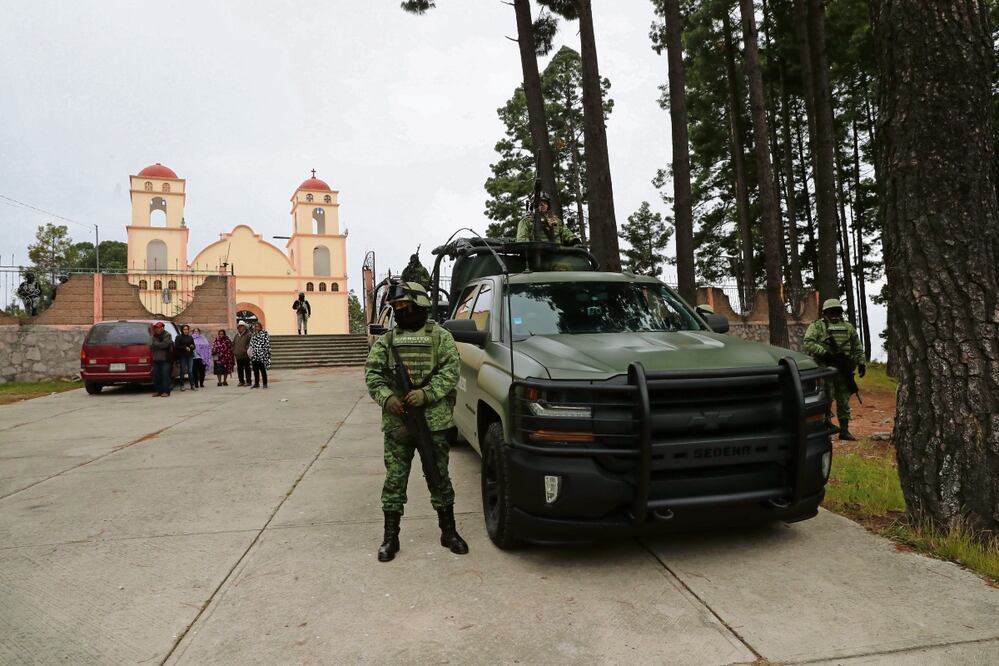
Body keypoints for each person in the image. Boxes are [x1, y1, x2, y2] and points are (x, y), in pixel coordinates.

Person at [365, 281, 467, 562]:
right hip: (399, 423)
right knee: (395, 480)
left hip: (433, 422)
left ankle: (449, 532)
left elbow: (451, 369)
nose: (399, 312)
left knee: (438, 476)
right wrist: (388, 398)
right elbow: (373, 374)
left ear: (419, 306)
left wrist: (428, 393)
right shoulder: (386, 341)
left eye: (403, 307)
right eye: (395, 308)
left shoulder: (440, 337)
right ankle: (390, 538)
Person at [804, 298, 866, 441]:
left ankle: (844, 430)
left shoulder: (848, 328)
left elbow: (857, 347)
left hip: (843, 371)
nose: (834, 314)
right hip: (825, 370)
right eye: (831, 312)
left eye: (837, 311)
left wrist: (861, 363)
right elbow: (808, 342)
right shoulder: (817, 326)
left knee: (843, 401)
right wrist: (824, 353)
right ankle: (825, 427)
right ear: (825, 312)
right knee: (826, 399)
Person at [150, 322, 174, 397]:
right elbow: (152, 345)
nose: (157, 329)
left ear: (162, 328)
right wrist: (158, 344)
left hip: (165, 359)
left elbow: (164, 345)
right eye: (156, 328)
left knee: (165, 376)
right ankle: (158, 391)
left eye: (159, 328)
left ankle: (166, 391)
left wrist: (156, 344)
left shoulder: (167, 335)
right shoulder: (154, 336)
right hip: (156, 359)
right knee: (156, 376)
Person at [174, 324, 198, 391]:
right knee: (183, 371)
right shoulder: (178, 337)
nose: (186, 331)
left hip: (190, 356)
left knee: (190, 371)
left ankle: (192, 385)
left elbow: (194, 346)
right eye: (184, 329)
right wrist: (185, 347)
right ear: (182, 330)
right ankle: (182, 385)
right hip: (182, 356)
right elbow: (176, 346)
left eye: (187, 329)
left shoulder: (190, 337)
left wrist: (192, 347)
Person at [249, 321, 271, 389]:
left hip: (261, 355)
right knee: (255, 370)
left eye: (257, 326)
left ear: (260, 327)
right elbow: (251, 343)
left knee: (262, 370)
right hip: (254, 355)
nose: (256, 328)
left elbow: (267, 343)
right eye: (255, 326)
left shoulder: (264, 333)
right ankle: (256, 383)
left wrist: (264, 352)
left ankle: (265, 383)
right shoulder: (254, 334)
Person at [233, 321, 253, 386]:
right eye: (239, 327)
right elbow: (233, 343)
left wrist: (245, 350)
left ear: (244, 327)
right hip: (238, 355)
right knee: (240, 369)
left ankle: (248, 381)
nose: (240, 328)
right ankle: (241, 381)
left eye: (241, 326)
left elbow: (250, 343)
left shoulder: (249, 334)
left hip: (245, 355)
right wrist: (234, 350)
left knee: (247, 369)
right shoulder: (236, 335)